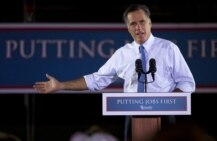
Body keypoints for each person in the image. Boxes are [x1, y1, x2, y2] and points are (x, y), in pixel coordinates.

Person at [33, 4, 195, 141]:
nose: (138, 28)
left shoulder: (168, 48)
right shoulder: (123, 53)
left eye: (142, 22)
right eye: (133, 24)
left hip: (165, 116)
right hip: (133, 116)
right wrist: (61, 85)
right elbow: (97, 79)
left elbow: (187, 83)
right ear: (127, 27)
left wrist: (169, 102)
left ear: (150, 23)